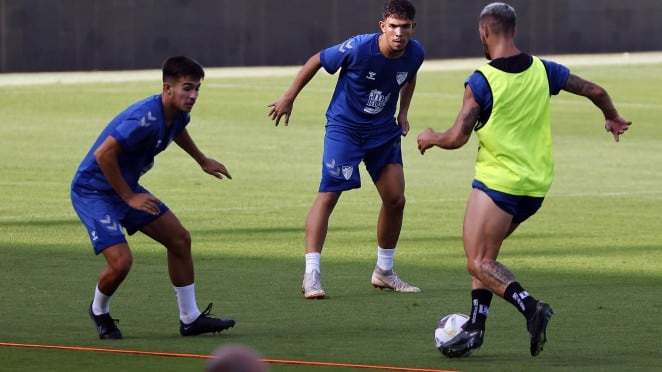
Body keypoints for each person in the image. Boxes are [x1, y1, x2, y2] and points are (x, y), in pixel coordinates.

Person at [417, 2, 631, 357]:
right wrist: (612, 117)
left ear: (484, 32)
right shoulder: (544, 71)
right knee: (488, 255)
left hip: (498, 184)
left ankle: (532, 308)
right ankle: (475, 327)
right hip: (535, 187)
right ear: (513, 31)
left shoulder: (481, 81)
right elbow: (594, 90)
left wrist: (430, 137)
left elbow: (457, 137)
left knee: (477, 261)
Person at [71, 56, 236, 339]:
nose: (193, 95)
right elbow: (103, 154)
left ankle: (190, 318)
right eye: (187, 88)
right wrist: (128, 196)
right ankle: (99, 311)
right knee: (121, 262)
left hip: (125, 187)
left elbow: (177, 129)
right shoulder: (143, 118)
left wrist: (202, 160)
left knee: (179, 239)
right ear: (167, 88)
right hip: (94, 191)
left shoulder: (178, 114)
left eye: (197, 88)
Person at [268, 0, 424, 299]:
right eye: (393, 26)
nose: (399, 33)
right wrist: (289, 97)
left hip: (382, 132)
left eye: (405, 27)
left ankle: (384, 271)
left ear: (412, 28)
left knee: (395, 199)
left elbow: (410, 75)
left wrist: (403, 112)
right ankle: (311, 275)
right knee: (328, 195)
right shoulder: (358, 47)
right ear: (383, 26)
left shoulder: (416, 52)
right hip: (346, 129)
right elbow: (317, 60)